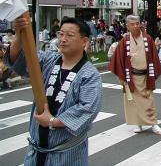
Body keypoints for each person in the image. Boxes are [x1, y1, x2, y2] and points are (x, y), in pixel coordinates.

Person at [4, 16, 102, 165]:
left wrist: (52, 121)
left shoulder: (90, 75)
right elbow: (19, 59)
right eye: (60, 34)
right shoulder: (49, 59)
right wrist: (19, 33)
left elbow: (87, 109)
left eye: (69, 35)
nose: (63, 39)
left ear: (84, 41)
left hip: (67, 155)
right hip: (37, 151)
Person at [108, 15, 161, 135]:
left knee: (148, 100)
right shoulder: (124, 41)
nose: (135, 26)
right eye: (132, 24)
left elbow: (154, 57)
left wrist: (154, 73)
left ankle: (154, 124)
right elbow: (118, 59)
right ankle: (138, 124)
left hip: (145, 76)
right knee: (133, 102)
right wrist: (121, 77)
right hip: (132, 76)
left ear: (140, 24)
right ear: (128, 26)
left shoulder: (148, 38)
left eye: (137, 23)